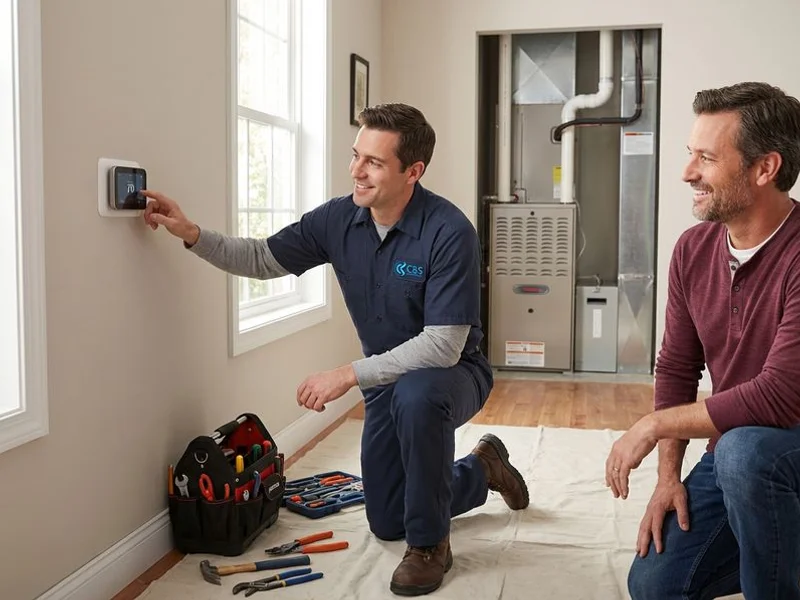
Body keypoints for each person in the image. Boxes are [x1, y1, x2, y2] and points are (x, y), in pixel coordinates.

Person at [142, 103, 529, 596]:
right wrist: (192, 234)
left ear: (414, 172)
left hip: (452, 373)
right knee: (387, 519)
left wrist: (347, 374)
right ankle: (483, 468)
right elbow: (263, 257)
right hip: (386, 379)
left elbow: (443, 345)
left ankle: (431, 545)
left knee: (418, 398)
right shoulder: (339, 219)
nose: (356, 171)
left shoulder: (448, 231)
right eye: (355, 155)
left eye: (373, 162)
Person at [604, 81, 800, 599]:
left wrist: (652, 425)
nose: (688, 171)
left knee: (743, 451)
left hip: (773, 448)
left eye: (706, 158)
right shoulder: (694, 249)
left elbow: (781, 395)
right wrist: (670, 477)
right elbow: (675, 367)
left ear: (765, 168)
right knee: (654, 586)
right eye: (691, 154)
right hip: (744, 456)